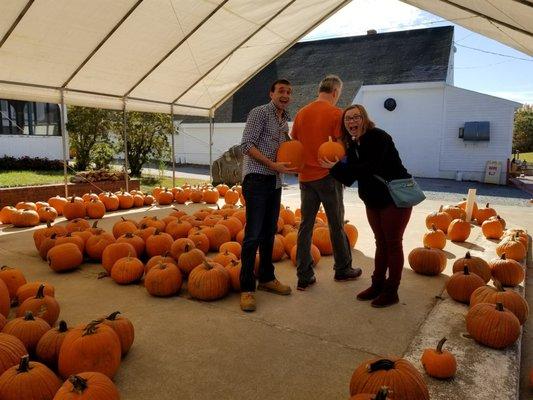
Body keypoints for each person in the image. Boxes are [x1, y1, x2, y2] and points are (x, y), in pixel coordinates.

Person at [320, 104, 413, 307]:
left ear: (364, 119)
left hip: (394, 198)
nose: (352, 122)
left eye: (356, 117)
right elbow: (351, 177)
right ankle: (377, 284)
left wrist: (340, 166)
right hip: (373, 200)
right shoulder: (353, 145)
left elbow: (370, 167)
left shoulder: (378, 137)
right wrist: (332, 168)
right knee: (381, 243)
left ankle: (392, 291)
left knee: (393, 244)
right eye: (348, 119)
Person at [291, 75, 362, 290]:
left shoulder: (301, 113)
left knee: (305, 226)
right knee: (336, 224)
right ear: (335, 92)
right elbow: (342, 148)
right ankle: (343, 269)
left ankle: (304, 276)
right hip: (328, 176)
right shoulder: (335, 113)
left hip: (305, 177)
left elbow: (295, 144)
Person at [239, 79, 296, 312]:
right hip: (257, 179)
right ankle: (246, 288)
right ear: (271, 93)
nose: (285, 95)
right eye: (281, 91)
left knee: (269, 232)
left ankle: (266, 278)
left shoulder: (284, 119)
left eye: (289, 92)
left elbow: (284, 147)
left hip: (274, 181)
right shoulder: (260, 112)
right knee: (252, 235)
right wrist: (273, 164)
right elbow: (246, 145)